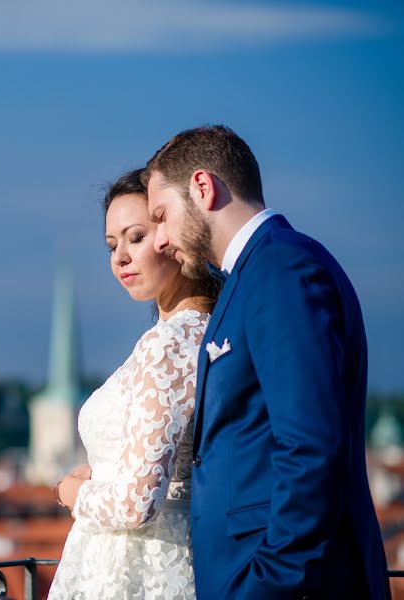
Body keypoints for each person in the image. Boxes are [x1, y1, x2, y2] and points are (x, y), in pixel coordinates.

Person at [143, 124, 390, 600]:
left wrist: (268, 584)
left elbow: (311, 447)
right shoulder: (257, 273)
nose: (160, 240)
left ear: (202, 186)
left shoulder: (279, 269)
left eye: (162, 215)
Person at [48, 168, 218, 600]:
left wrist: (73, 492)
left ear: (171, 236)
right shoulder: (201, 331)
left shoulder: (170, 342)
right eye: (111, 244)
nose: (119, 257)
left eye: (135, 237)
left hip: (135, 569)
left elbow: (136, 503)